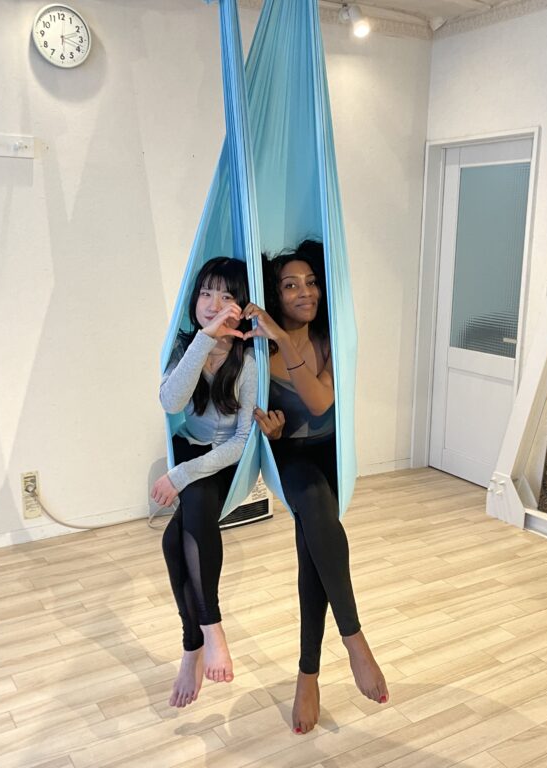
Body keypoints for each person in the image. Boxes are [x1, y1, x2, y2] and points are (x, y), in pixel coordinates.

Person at [244, 240, 388, 734]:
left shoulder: (329, 338)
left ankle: (309, 675)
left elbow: (323, 403)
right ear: (275, 295)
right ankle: (355, 642)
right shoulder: (259, 351)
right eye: (290, 285)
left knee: (314, 547)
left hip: (331, 455)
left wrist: (285, 339)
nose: (305, 292)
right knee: (317, 514)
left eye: (310, 282)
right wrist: (270, 429)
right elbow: (276, 413)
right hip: (293, 458)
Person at [154, 256, 257, 708]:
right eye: (206, 292)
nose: (214, 303)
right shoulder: (184, 347)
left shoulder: (249, 359)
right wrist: (204, 340)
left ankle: (205, 635)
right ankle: (195, 644)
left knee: (193, 518)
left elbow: (239, 442)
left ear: (241, 305)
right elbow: (170, 400)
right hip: (191, 452)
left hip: (226, 461)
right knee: (171, 544)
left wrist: (179, 475)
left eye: (227, 295)